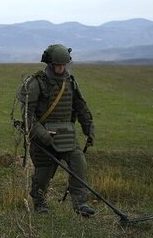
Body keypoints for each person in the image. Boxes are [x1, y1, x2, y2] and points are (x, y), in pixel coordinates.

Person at [16, 44, 96, 217]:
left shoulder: (71, 83)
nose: (62, 68)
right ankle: (39, 203)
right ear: (50, 64)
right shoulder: (36, 83)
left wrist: (89, 129)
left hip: (66, 135)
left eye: (64, 65)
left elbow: (81, 108)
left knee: (78, 162)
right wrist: (42, 134)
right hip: (43, 137)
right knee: (43, 173)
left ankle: (80, 204)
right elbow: (28, 116)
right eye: (58, 65)